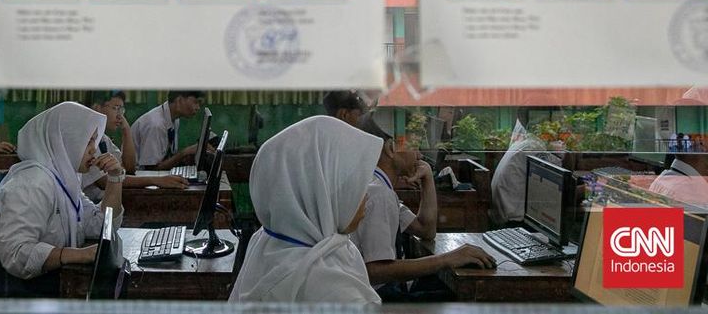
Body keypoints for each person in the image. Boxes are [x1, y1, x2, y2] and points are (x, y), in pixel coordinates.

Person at [230, 116, 384, 303]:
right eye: (356, 186)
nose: (365, 195)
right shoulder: (332, 292)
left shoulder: (269, 240)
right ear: (322, 194)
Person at [0, 102, 124, 281]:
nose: (94, 149)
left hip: (44, 277)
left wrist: (115, 178)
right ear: (64, 141)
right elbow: (16, 253)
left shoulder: (65, 178)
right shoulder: (32, 183)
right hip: (5, 283)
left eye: (94, 140)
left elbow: (99, 225)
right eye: (88, 141)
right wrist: (80, 255)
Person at [353, 118, 495, 301]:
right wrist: (448, 258)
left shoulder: (380, 187)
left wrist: (427, 178)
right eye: (414, 146)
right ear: (391, 148)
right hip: (381, 298)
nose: (419, 155)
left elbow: (426, 229)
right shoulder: (379, 194)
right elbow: (375, 271)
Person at [79, 91, 188, 202]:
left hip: (107, 199)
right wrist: (156, 180)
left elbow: (129, 168)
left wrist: (126, 130)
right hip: (93, 203)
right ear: (97, 108)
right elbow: (103, 181)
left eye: (121, 110)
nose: (120, 115)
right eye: (116, 108)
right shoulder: (86, 139)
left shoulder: (104, 138)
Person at [490, 112, 563, 226]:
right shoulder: (534, 148)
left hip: (503, 212)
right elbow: (555, 185)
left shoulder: (526, 143)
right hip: (514, 220)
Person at [131, 91, 206, 170]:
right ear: (179, 101)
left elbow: (166, 158)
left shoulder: (174, 119)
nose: (198, 107)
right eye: (196, 102)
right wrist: (184, 153)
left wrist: (186, 157)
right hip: (139, 174)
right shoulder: (156, 125)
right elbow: (151, 170)